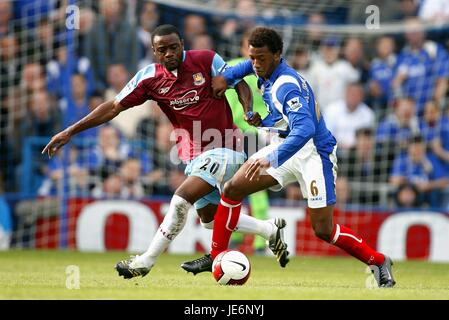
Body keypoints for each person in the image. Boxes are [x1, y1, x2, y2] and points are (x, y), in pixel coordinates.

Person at [42, 24, 287, 279]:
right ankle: (269, 230)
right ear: (154, 51)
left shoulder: (205, 60)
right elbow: (113, 106)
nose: (169, 53)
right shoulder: (149, 78)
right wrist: (70, 131)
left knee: (181, 200)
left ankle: (145, 261)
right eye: (163, 49)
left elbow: (239, 84)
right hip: (194, 155)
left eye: (174, 47)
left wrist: (246, 109)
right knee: (210, 219)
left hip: (228, 146)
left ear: (182, 43)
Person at [182, 27, 396, 288]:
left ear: (277, 55)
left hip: (313, 153)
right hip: (283, 144)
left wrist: (272, 158)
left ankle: (378, 260)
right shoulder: (263, 67)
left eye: (261, 58)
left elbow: (305, 129)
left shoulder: (286, 86)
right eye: (253, 57)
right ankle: (216, 256)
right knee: (233, 188)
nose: (256, 64)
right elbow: (243, 69)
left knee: (323, 230)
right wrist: (227, 78)